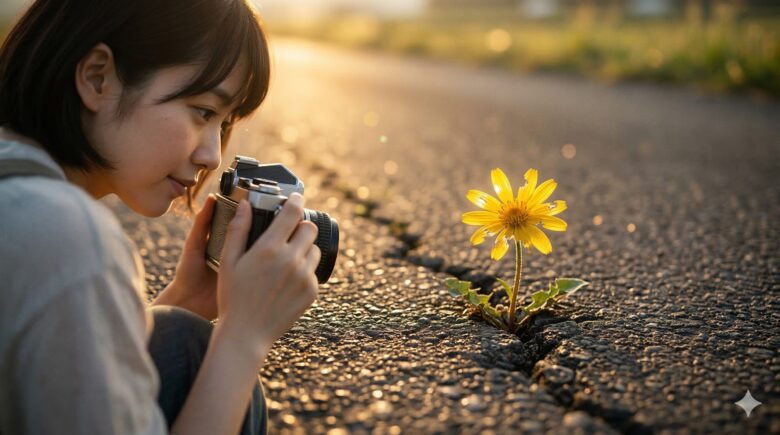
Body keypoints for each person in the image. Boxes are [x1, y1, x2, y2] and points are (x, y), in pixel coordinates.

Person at [0, 1, 321, 434]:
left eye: (224, 125)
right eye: (204, 111)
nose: (211, 155)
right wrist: (243, 337)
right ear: (98, 77)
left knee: (173, 329)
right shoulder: (69, 235)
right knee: (191, 349)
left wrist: (186, 297)